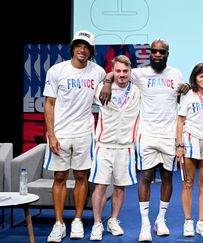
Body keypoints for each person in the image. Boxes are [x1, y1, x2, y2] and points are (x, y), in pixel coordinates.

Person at [99, 39, 187, 242]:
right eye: (154, 51)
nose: (157, 54)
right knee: (146, 177)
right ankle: (145, 224)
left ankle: (161, 220)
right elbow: (116, 72)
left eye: (161, 52)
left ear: (167, 54)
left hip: (168, 135)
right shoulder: (140, 73)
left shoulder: (175, 74)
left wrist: (187, 87)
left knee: (167, 177)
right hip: (146, 133)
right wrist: (106, 83)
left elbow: (182, 92)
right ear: (150, 53)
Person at [43, 30, 106, 242]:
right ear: (72, 48)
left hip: (84, 133)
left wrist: (108, 81)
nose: (82, 49)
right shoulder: (56, 70)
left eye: (86, 46)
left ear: (91, 51)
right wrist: (51, 135)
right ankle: (58, 223)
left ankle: (77, 220)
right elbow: (49, 104)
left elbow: (111, 79)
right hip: (60, 133)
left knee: (81, 177)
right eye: (79, 45)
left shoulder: (98, 72)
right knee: (59, 177)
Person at [89, 55, 140, 240]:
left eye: (125, 71)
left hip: (126, 147)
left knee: (120, 187)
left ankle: (113, 220)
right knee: (101, 186)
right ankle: (96, 223)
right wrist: (107, 81)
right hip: (103, 145)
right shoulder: (101, 89)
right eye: (117, 71)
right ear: (113, 70)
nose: (121, 75)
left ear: (130, 71)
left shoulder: (137, 91)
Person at [176, 63, 203, 238]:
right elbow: (180, 122)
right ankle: (188, 221)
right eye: (201, 76)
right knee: (188, 183)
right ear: (195, 77)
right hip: (190, 141)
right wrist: (179, 145)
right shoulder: (188, 96)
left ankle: (201, 222)